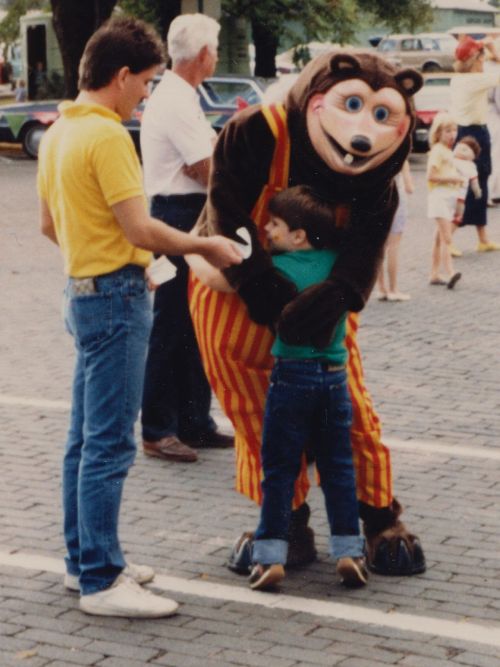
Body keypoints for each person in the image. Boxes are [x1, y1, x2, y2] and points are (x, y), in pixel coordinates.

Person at [37, 16, 241, 618]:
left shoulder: (58, 133)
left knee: (84, 440)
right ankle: (101, 578)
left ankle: (87, 562)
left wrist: (96, 257)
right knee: (107, 446)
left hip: (82, 292)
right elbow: (141, 227)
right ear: (121, 76)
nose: (147, 95)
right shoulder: (106, 137)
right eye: (146, 83)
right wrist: (207, 246)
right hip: (118, 299)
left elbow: (50, 225)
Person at [187, 186, 368, 590]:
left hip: (291, 378)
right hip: (334, 377)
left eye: (275, 224)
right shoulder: (338, 265)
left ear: (298, 236)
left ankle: (270, 558)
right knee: (338, 467)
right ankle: (349, 551)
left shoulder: (276, 269)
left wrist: (189, 249)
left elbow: (219, 280)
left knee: (279, 469)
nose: (266, 229)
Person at [140, 13, 233, 464]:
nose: (214, 56)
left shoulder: (183, 95)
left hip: (186, 212)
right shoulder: (176, 99)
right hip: (178, 214)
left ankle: (194, 420)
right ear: (202, 55)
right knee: (174, 321)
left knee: (195, 321)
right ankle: (158, 427)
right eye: (214, 49)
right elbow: (205, 165)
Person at [450, 35, 500, 253]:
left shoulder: (460, 79)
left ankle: (482, 238)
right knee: (470, 186)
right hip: (472, 134)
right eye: (480, 59)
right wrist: (494, 50)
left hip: (475, 132)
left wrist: (486, 48)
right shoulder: (473, 80)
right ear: (474, 60)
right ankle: (449, 238)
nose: (483, 63)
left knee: (481, 181)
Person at [426, 112, 462, 289]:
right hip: (439, 196)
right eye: (448, 130)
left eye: (454, 130)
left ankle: (434, 273)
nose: (452, 134)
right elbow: (431, 175)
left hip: (448, 197)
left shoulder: (448, 151)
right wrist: (452, 179)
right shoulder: (438, 151)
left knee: (439, 238)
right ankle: (450, 272)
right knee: (447, 237)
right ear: (438, 133)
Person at [377, 160, 414, 302]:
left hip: (377, 201)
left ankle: (381, 288)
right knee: (393, 246)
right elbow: (409, 187)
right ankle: (393, 289)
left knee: (380, 245)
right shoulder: (402, 159)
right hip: (396, 199)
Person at [453, 136, 482, 223]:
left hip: (455, 194)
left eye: (465, 150)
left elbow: (474, 182)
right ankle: (456, 218)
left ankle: (457, 218)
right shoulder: (450, 158)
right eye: (459, 148)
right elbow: (475, 183)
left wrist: (477, 192)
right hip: (453, 194)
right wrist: (478, 193)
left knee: (457, 209)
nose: (460, 151)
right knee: (456, 213)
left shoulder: (470, 166)